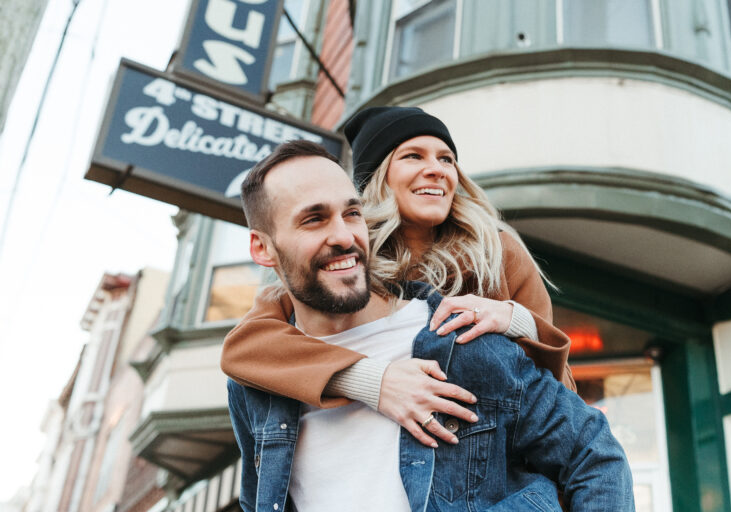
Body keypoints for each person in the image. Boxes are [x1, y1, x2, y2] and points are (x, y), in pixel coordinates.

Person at [227, 140, 634, 511]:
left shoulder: (461, 334)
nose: (343, 236)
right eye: (313, 220)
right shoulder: (261, 376)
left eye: (352, 213)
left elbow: (592, 451)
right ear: (262, 248)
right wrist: (375, 381)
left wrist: (516, 318)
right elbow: (258, 497)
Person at [221, 106, 575, 447]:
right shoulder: (343, 262)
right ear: (378, 175)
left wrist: (516, 320)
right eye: (414, 156)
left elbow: (561, 394)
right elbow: (246, 349)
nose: (437, 170)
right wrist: (374, 381)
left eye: (446, 159)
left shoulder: (496, 254)